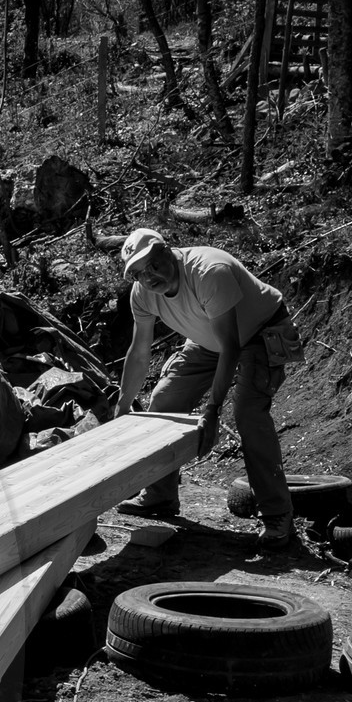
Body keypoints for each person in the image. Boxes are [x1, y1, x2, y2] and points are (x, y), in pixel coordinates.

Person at [115, 228, 303, 548]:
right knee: (162, 401)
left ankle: (277, 517)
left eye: (152, 265)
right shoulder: (142, 294)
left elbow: (230, 347)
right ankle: (160, 496)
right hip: (208, 338)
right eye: (137, 273)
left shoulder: (208, 272)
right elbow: (140, 351)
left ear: (168, 251)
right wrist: (123, 403)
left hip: (259, 332)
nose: (148, 277)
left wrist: (212, 410)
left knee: (247, 414)